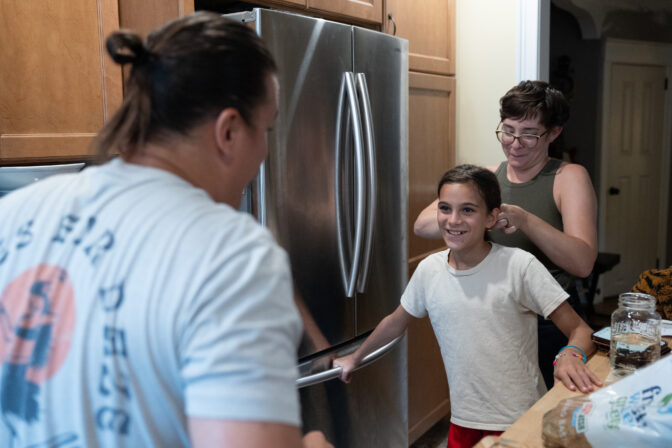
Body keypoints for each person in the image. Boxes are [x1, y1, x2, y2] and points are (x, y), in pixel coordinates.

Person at [0, 12, 331, 448]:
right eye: (266, 129)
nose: (266, 151)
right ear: (228, 131)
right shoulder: (232, 255)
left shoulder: (12, 215)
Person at [334, 165, 601, 448]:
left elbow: (580, 330)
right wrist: (355, 358)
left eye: (468, 210)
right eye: (445, 208)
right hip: (462, 422)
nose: (453, 220)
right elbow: (395, 322)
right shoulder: (429, 270)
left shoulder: (519, 266)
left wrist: (571, 353)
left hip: (519, 421)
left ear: (491, 218)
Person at [413, 80, 598, 389]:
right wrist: (476, 216)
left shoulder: (568, 177)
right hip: (492, 318)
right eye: (508, 130)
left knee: (540, 418)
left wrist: (523, 218)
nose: (514, 143)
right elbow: (423, 224)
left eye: (529, 134)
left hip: (549, 322)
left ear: (553, 133)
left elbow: (582, 263)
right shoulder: (487, 177)